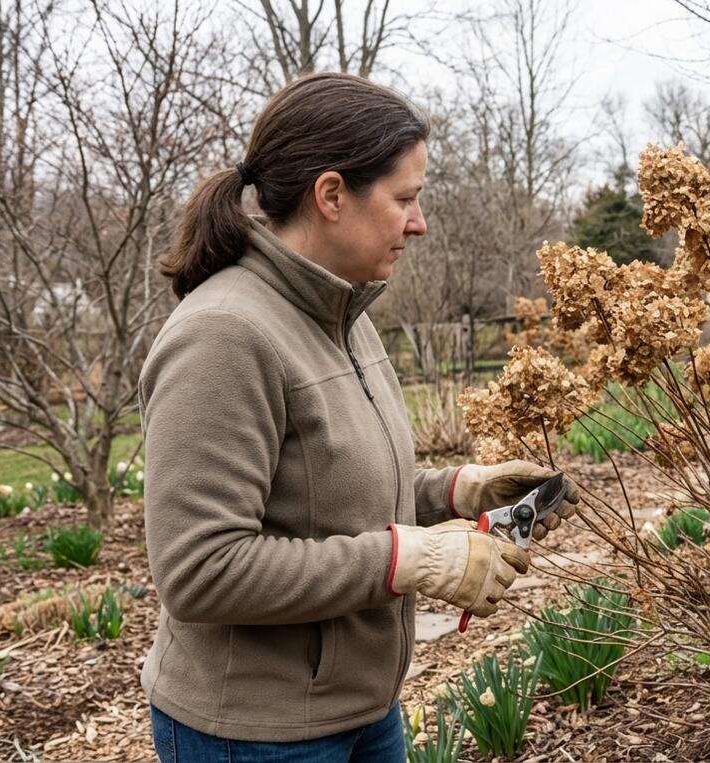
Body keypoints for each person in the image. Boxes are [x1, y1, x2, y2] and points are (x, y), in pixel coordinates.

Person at [138, 72, 576, 762]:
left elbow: (327, 492)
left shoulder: (345, 314)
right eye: (405, 198)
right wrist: (412, 558)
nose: (419, 222)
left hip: (361, 712)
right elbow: (200, 569)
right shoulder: (223, 336)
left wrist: (455, 491)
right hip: (256, 734)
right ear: (332, 194)